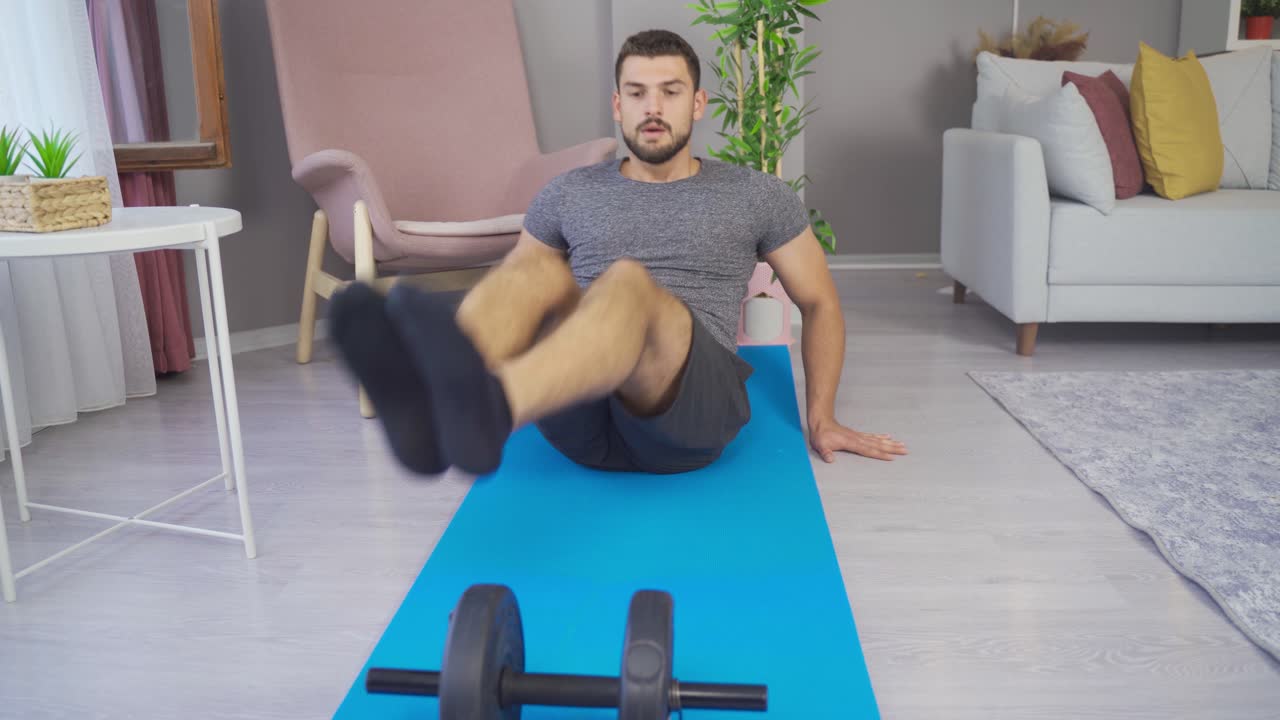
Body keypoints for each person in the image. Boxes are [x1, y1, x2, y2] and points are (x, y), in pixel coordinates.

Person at [328, 29, 907, 477]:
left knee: (625, 283)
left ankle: (491, 412)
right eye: (637, 93)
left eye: (670, 92)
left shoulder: (756, 194)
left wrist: (822, 418)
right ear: (617, 105)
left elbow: (820, 303)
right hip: (581, 413)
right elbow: (520, 298)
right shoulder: (567, 191)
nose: (652, 107)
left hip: (688, 414)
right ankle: (437, 408)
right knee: (532, 271)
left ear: (699, 103)